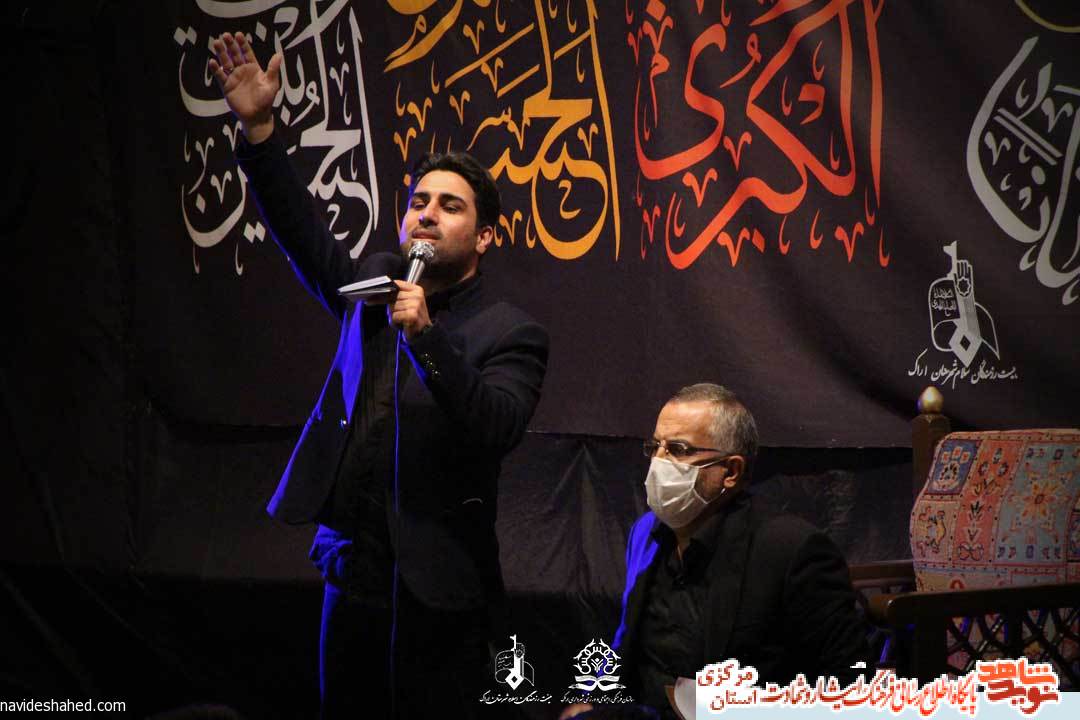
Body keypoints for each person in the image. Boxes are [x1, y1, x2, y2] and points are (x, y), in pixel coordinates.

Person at [209, 32, 549, 718]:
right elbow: (303, 233)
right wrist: (261, 129)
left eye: (450, 206)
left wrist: (426, 338)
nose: (427, 214)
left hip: (438, 586)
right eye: (420, 201)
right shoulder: (373, 287)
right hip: (352, 569)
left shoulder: (511, 331)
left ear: (485, 236)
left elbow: (495, 425)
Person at [563, 384, 867, 719]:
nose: (659, 463)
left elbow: (848, 683)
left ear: (731, 471)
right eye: (655, 447)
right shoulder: (646, 533)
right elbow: (625, 644)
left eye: (678, 450)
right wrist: (594, 698)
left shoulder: (790, 550)